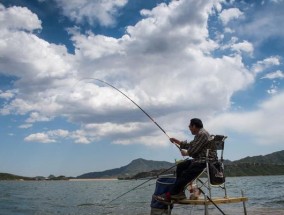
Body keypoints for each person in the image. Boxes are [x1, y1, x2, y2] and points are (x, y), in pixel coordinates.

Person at [154, 118, 217, 203]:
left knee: (185, 174)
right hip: (200, 160)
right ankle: (179, 193)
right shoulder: (200, 134)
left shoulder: (202, 134)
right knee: (181, 166)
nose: (189, 128)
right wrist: (177, 141)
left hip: (205, 161)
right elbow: (190, 145)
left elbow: (193, 151)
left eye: (190, 126)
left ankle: (171, 194)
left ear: (194, 126)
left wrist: (186, 153)